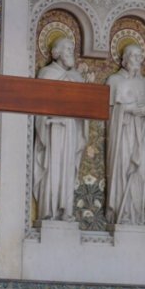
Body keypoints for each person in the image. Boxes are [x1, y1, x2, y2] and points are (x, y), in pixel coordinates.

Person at [32, 37, 88, 221]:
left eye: (72, 49)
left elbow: (85, 108)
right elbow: (38, 105)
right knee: (53, 168)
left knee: (68, 169)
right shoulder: (47, 74)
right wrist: (47, 120)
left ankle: (66, 211)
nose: (70, 53)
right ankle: (49, 210)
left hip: (71, 127)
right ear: (56, 52)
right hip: (53, 129)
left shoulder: (77, 77)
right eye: (67, 49)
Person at [105, 43, 145, 225]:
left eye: (140, 56)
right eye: (134, 55)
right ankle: (121, 213)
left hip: (139, 135)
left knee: (139, 171)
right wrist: (128, 109)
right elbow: (107, 112)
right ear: (124, 59)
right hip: (122, 133)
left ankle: (135, 215)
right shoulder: (114, 81)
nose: (138, 59)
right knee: (122, 169)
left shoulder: (144, 83)